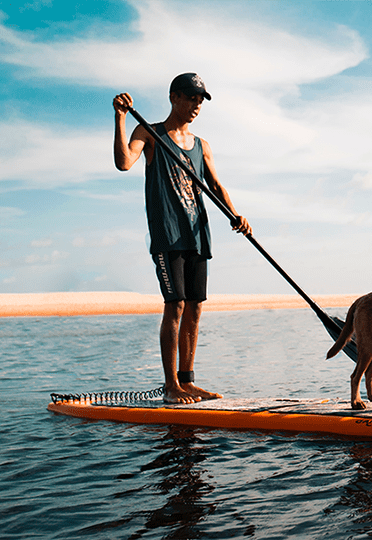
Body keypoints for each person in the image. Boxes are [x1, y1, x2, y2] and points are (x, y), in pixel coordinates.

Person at [112, 73, 251, 404]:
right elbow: (123, 162)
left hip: (198, 233)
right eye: (191, 98)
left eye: (201, 100)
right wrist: (119, 118)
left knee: (195, 308)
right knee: (174, 305)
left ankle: (188, 382)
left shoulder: (202, 146)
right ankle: (171, 385)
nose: (196, 105)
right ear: (174, 97)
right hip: (168, 234)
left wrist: (236, 216)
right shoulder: (150, 132)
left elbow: (215, 185)